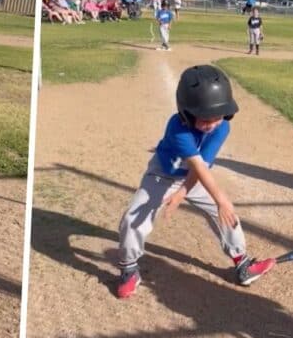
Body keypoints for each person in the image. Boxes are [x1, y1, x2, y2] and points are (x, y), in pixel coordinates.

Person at [116, 65, 276, 298]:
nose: (212, 124)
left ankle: (242, 262)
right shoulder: (178, 128)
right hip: (162, 174)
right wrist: (218, 198)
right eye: (204, 119)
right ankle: (129, 269)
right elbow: (198, 165)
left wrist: (186, 194)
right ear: (186, 113)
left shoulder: (222, 128)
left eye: (218, 117)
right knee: (135, 216)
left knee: (225, 213)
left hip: (192, 177)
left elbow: (202, 168)